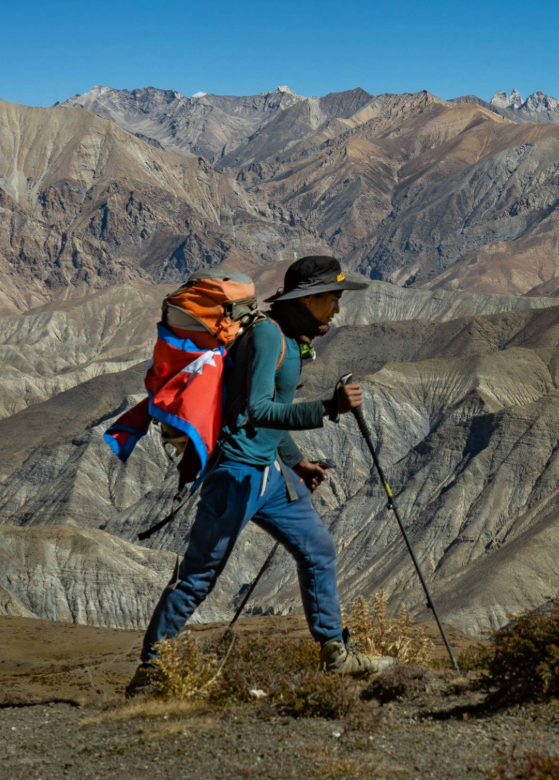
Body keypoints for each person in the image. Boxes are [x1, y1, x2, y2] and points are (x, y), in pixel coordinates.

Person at [128, 256, 393, 697]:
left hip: (268, 472)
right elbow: (258, 410)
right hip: (235, 473)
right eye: (332, 298)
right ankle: (150, 674)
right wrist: (328, 409)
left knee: (318, 550)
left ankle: (335, 654)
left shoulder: (289, 336)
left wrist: (296, 461)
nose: (338, 309)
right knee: (197, 578)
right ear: (307, 299)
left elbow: (267, 421)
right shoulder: (269, 336)